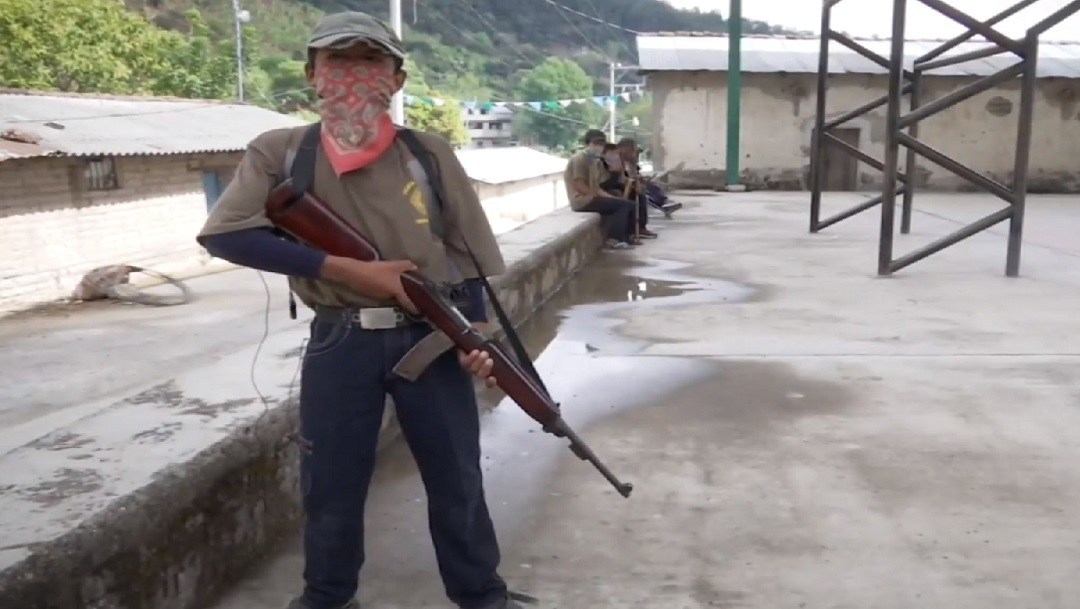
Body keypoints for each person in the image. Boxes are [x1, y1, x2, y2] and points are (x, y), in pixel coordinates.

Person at [196, 11, 526, 609]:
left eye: (369, 62)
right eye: (337, 62)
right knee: (331, 483)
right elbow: (226, 235)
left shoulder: (427, 153)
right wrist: (349, 270)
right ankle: (326, 596)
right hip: (340, 339)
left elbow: (465, 257)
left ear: (396, 79)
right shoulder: (280, 152)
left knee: (457, 476)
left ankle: (481, 594)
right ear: (312, 75)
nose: (353, 76)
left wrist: (474, 336)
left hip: (431, 337)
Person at [563, 129, 636, 250]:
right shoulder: (579, 159)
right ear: (588, 143)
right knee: (623, 206)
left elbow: (597, 187)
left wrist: (611, 198)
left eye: (602, 144)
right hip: (581, 201)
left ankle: (626, 237)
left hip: (591, 197)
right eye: (596, 143)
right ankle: (614, 239)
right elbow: (579, 185)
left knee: (628, 204)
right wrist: (597, 196)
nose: (599, 146)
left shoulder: (595, 162)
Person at [617, 137, 682, 218]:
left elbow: (634, 175)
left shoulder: (631, 162)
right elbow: (624, 177)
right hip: (624, 185)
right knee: (644, 190)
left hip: (632, 183)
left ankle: (664, 202)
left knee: (652, 185)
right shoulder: (618, 161)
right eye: (634, 151)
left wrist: (641, 177)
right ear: (626, 149)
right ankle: (662, 204)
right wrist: (638, 179)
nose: (636, 154)